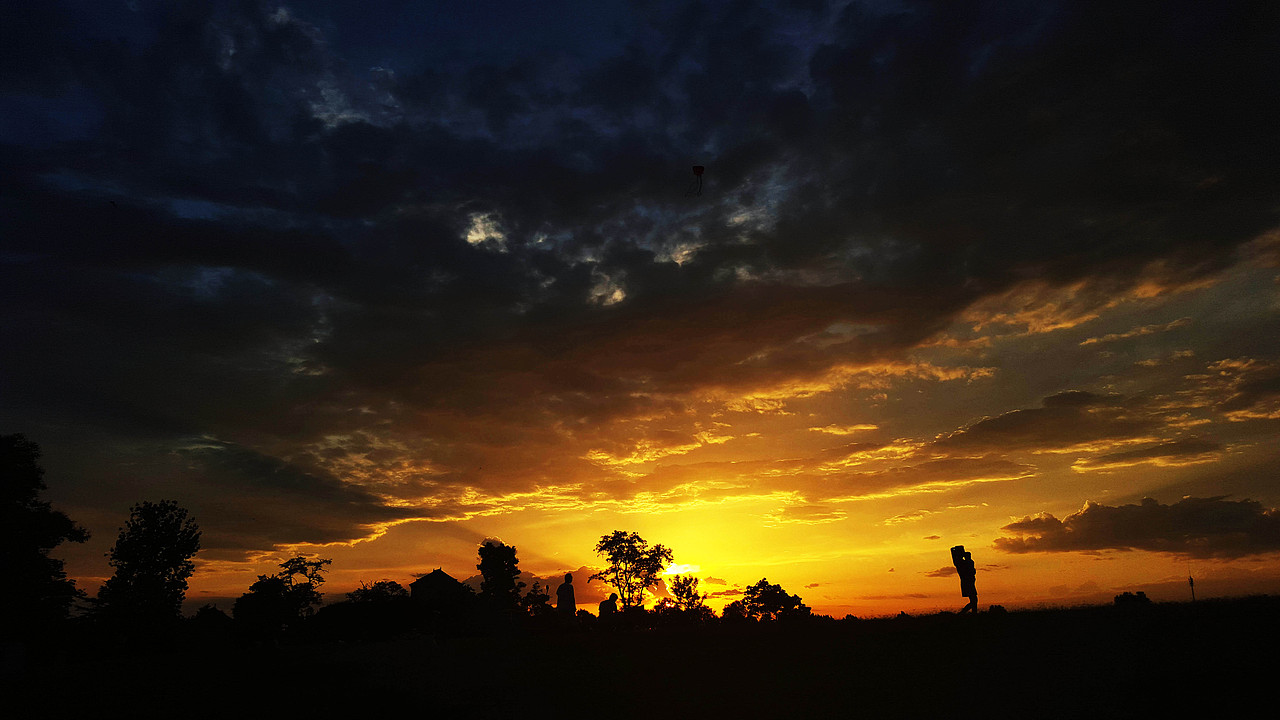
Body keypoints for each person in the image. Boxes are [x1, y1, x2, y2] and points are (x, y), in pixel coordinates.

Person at [951, 545, 978, 613]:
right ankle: (964, 613)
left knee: (974, 600)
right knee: (974, 600)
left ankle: (968, 613)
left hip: (969, 582)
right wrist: (954, 551)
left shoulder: (964, 562)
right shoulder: (961, 563)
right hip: (967, 583)